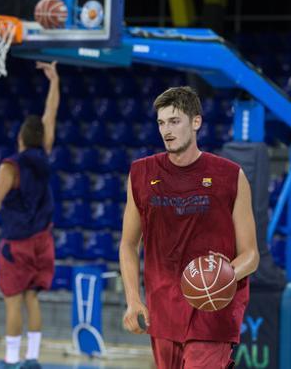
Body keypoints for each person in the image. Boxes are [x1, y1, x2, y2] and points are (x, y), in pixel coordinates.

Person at [119, 86, 260, 369]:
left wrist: (226, 274)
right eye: (161, 122)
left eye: (174, 121)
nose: (166, 130)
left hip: (212, 309)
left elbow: (251, 255)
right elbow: (128, 245)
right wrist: (133, 300)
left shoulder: (230, 176)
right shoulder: (141, 173)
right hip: (163, 308)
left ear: (196, 122)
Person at [0, 61, 59, 369]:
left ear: (20, 138)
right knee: (32, 299)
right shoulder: (44, 153)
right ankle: (33, 358)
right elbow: (50, 116)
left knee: (12, 300)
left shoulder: (10, 166)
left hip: (18, 242)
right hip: (43, 240)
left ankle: (11, 361)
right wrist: (54, 81)